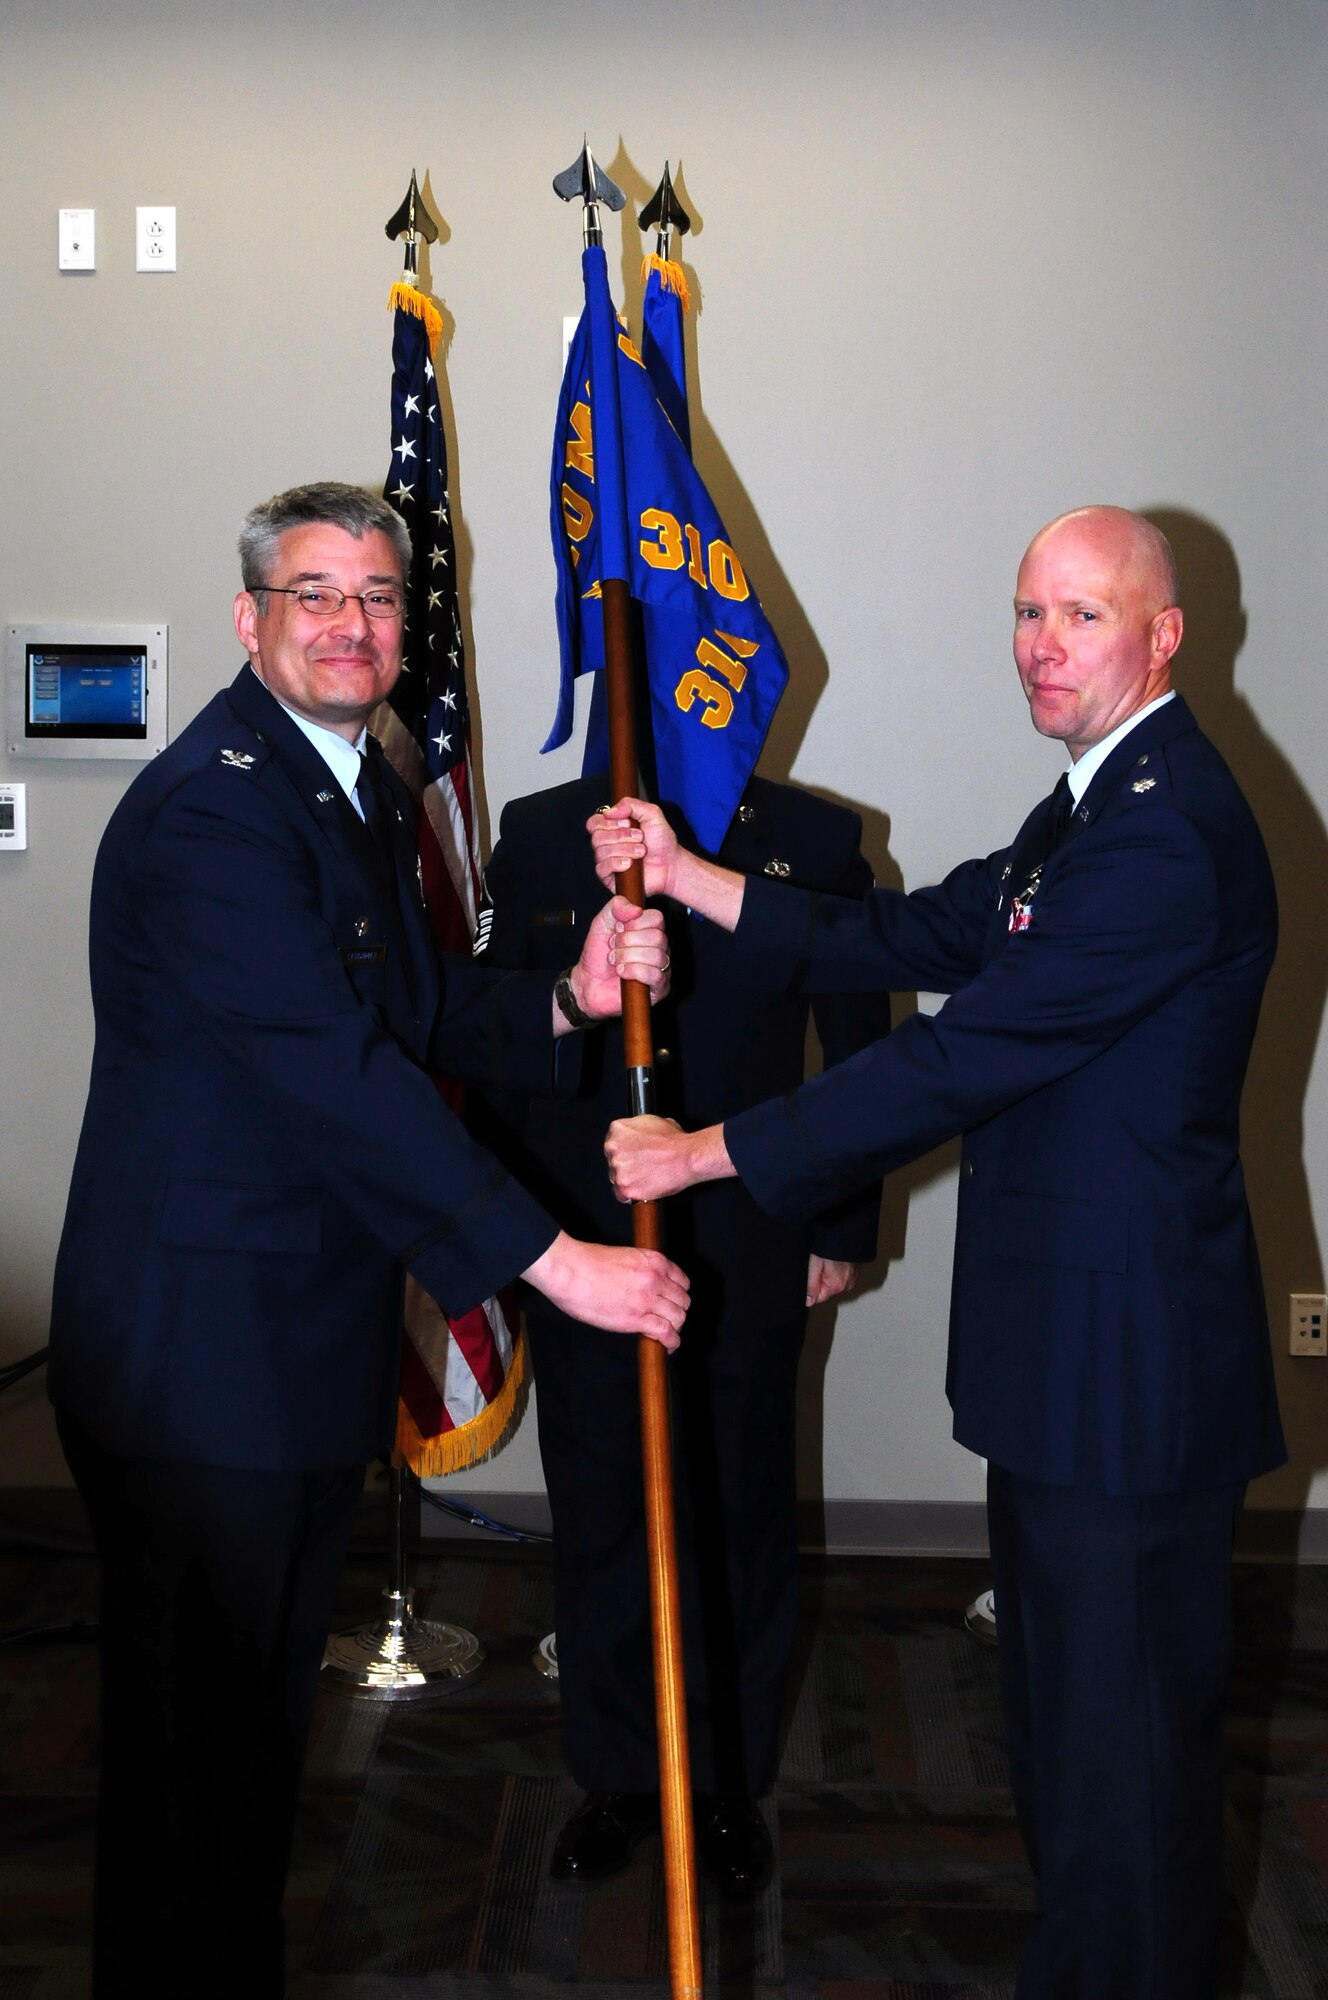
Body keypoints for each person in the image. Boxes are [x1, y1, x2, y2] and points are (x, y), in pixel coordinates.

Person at [599, 506, 1286, 1997]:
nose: (1042, 644)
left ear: (1162, 637)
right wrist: (699, 876)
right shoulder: (1094, 802)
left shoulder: (1166, 829)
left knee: (1126, 1772)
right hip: (1073, 1368)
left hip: (1129, 1379)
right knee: (1068, 1748)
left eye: (1082, 616)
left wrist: (709, 1150)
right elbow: (918, 936)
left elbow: (960, 1059)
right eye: (1028, 612)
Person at [46, 481, 689, 1999]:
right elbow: (334, 1080)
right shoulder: (213, 808)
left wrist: (567, 997)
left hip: (280, 1355)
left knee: (248, 1752)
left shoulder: (352, 783)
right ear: (250, 618)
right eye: (316, 594)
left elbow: (404, 1015)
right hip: (196, 1367)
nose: (352, 623)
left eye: (380, 599)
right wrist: (558, 1264)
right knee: (192, 1773)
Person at [473, 771, 891, 1892]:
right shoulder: (543, 831)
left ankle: (723, 1781)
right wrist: (516, 1239)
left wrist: (836, 1219)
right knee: (599, 1499)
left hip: (746, 1231)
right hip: (582, 1236)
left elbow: (853, 1040)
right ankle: (614, 1768)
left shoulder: (805, 840)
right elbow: (504, 1036)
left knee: (738, 1505)